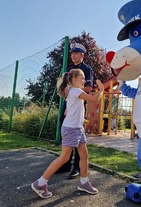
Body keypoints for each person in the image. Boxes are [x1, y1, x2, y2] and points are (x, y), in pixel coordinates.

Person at [31, 68, 104, 199]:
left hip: (77, 128)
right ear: (74, 79)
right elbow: (94, 99)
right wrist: (101, 89)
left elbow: (66, 112)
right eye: (82, 78)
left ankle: (83, 182)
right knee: (64, 157)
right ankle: (40, 183)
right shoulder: (76, 91)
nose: (84, 81)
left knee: (84, 154)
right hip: (71, 129)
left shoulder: (71, 92)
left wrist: (79, 118)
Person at [57, 42, 94, 179]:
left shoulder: (86, 69)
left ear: (82, 55)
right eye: (71, 53)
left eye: (76, 53)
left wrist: (72, 91)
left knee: (78, 137)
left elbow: (89, 88)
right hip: (68, 104)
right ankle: (65, 164)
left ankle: (76, 168)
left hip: (77, 105)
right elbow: (64, 87)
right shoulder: (69, 69)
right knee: (66, 133)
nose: (73, 56)